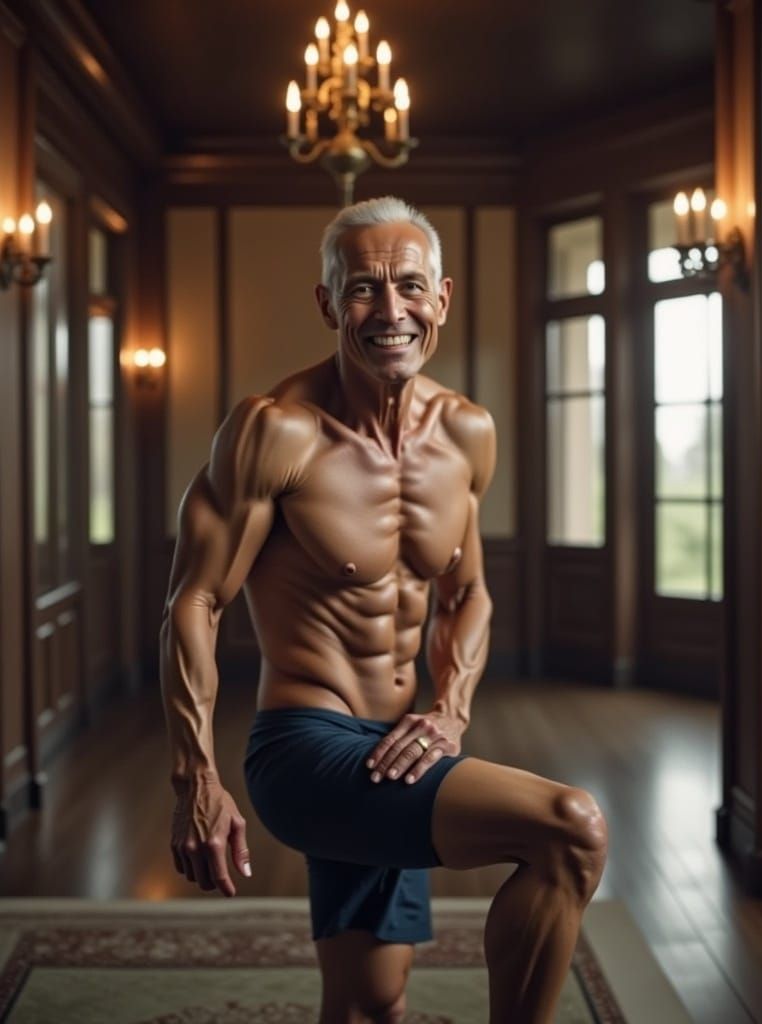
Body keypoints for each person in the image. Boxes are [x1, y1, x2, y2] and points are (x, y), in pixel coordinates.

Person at [159, 195, 608, 1024]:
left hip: (406, 747)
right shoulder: (274, 432)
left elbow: (467, 590)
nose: (390, 310)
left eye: (408, 286)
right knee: (570, 829)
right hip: (306, 746)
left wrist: (450, 710)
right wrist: (196, 777)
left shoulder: (468, 432)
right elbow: (195, 599)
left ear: (441, 297)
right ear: (329, 303)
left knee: (374, 1004)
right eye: (364, 289)